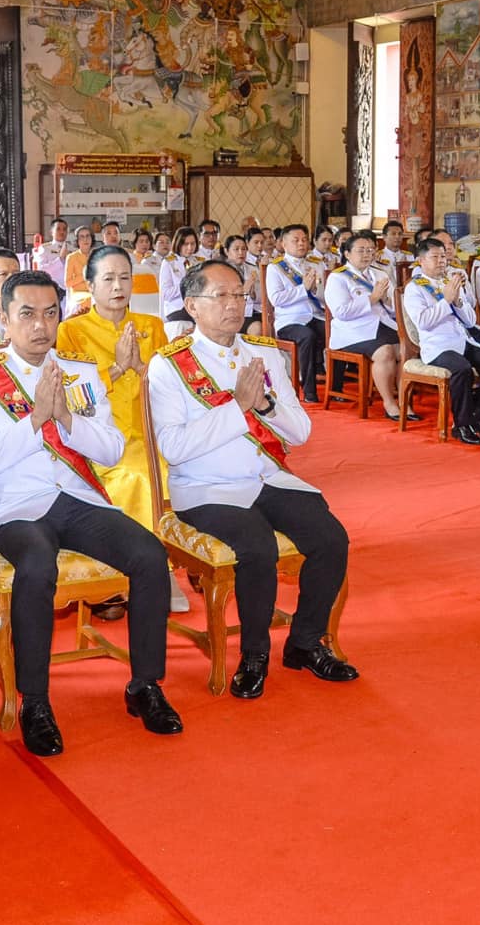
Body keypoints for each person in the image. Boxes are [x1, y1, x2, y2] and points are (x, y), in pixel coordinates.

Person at [0, 271, 182, 754]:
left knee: (147, 552)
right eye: (27, 314)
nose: (40, 325)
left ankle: (145, 685)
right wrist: (34, 420)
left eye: (50, 313)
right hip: (16, 507)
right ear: (4, 319)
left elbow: (112, 449)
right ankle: (35, 700)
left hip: (78, 499)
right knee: (35, 567)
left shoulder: (81, 372)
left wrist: (64, 418)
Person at [148, 261, 358, 699]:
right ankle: (255, 654)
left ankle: (304, 641)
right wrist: (237, 408)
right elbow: (174, 447)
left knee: (330, 537)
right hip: (206, 488)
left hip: (266, 478)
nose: (233, 305)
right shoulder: (169, 367)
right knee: (256, 545)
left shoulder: (262, 354)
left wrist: (263, 407)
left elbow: (300, 432)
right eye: (220, 296)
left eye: (239, 296)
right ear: (192, 306)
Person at [58, 246, 173, 533]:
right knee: (143, 476)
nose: (118, 286)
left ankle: (184, 551)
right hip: (103, 437)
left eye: (125, 277)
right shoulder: (72, 331)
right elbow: (74, 396)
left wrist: (139, 367)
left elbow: (169, 385)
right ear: (90, 285)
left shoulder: (152, 325)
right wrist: (118, 368)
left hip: (152, 432)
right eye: (108, 279)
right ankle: (155, 560)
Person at [405, 237, 480, 445]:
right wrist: (446, 300)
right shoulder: (415, 288)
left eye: (443, 256)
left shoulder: (449, 281)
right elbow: (423, 322)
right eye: (435, 257)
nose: (441, 261)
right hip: (437, 346)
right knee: (462, 369)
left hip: (461, 340)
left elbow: (470, 321)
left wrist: (458, 300)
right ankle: (462, 424)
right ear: (421, 261)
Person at [324, 230, 405, 420]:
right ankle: (389, 403)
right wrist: (372, 298)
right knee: (385, 351)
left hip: (380, 324)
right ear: (347, 254)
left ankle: (403, 400)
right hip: (352, 332)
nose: (367, 254)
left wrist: (385, 300)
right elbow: (341, 312)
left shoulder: (379, 273)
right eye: (361, 250)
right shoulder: (338, 277)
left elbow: (394, 309)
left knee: (406, 349)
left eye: (370, 250)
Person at [265, 223, 327, 404]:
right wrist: (303, 289)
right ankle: (309, 391)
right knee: (307, 336)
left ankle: (336, 387)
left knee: (335, 330)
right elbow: (276, 299)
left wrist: (315, 290)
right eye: (296, 240)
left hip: (315, 315)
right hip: (289, 320)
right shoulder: (275, 268)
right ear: (284, 244)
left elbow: (325, 296)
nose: (301, 244)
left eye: (304, 240)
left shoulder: (316, 265)